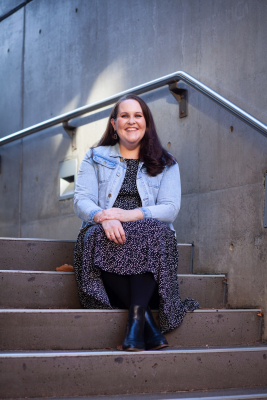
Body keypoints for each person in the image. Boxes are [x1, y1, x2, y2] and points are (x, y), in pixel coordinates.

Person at [73, 94, 199, 352]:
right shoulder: (94, 157)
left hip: (146, 233)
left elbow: (170, 209)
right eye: (124, 115)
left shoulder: (166, 162)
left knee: (153, 229)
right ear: (113, 123)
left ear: (146, 123)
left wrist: (128, 215)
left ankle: (134, 323)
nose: (131, 121)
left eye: (138, 115)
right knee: (96, 235)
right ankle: (147, 325)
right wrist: (103, 217)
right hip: (105, 230)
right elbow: (81, 200)